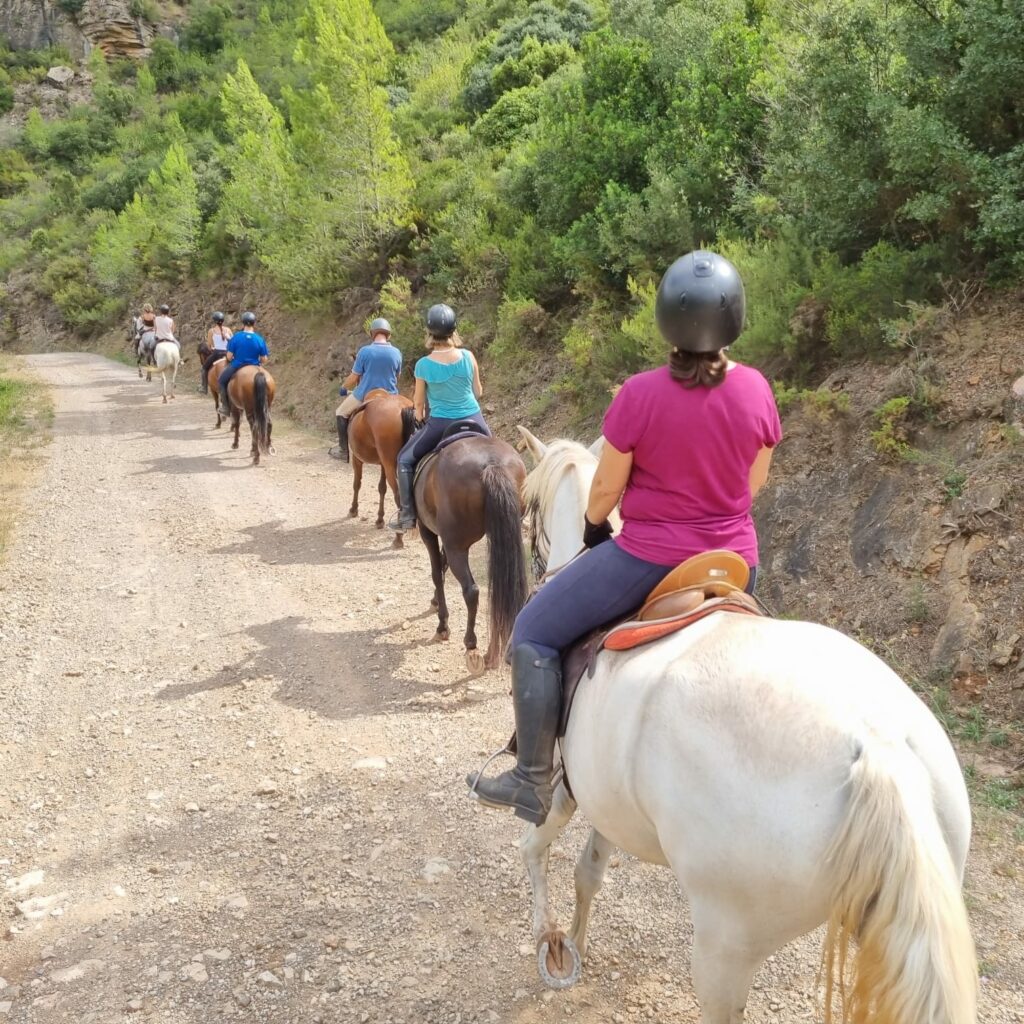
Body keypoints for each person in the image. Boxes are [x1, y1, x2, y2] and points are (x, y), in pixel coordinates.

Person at [467, 251, 782, 826]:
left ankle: (532, 779)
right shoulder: (758, 389)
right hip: (735, 561)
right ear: (734, 319)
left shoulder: (639, 393)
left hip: (649, 559)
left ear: (666, 318)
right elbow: (752, 482)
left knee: (534, 631)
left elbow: (607, 486)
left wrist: (592, 527)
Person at [388, 304, 489, 531]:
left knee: (404, 460)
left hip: (441, 423)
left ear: (429, 332)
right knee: (495, 458)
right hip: (474, 417)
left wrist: (420, 416)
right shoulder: (468, 356)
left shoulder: (423, 365)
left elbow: (420, 403)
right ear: (454, 330)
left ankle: (407, 515)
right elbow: (478, 392)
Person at [329, 317, 402, 462]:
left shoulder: (365, 351)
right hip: (390, 395)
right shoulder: (396, 353)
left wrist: (343, 387)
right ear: (389, 335)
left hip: (364, 394)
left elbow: (354, 377)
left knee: (340, 412)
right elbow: (397, 376)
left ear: (372, 333)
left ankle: (343, 450)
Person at [218, 311, 269, 417]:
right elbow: (264, 359)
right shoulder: (260, 339)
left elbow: (229, 357)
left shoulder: (236, 337)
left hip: (237, 365)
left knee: (221, 381)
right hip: (255, 365)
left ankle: (226, 408)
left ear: (243, 323)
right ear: (254, 323)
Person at [199, 312, 233, 393]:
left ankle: (204, 387)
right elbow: (233, 341)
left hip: (217, 353)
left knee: (204, 368)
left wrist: (213, 348)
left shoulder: (211, 331)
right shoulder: (228, 330)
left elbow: (210, 345)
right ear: (223, 320)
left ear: (214, 321)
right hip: (228, 353)